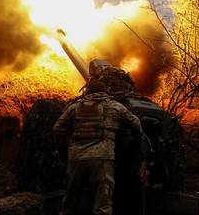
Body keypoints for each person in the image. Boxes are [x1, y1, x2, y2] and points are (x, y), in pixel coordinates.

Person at [53, 67, 142, 215]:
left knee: (70, 201)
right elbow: (136, 124)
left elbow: (57, 129)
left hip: (76, 157)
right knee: (102, 203)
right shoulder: (115, 106)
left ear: (88, 92)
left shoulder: (75, 108)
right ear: (105, 92)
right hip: (102, 158)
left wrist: (69, 141)